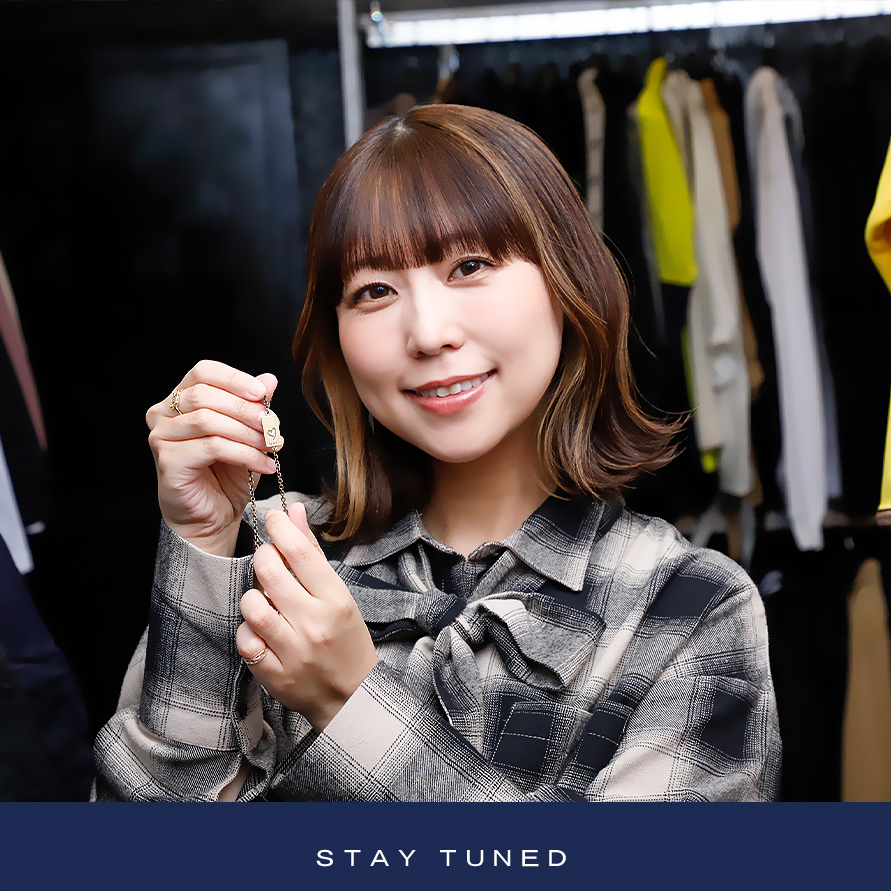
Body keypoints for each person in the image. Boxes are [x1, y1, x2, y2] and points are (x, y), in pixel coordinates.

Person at [93, 104, 780, 801]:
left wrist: (351, 706)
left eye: (469, 265)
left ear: (568, 282)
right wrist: (200, 544)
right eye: (375, 291)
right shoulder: (266, 557)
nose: (426, 333)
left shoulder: (689, 605)